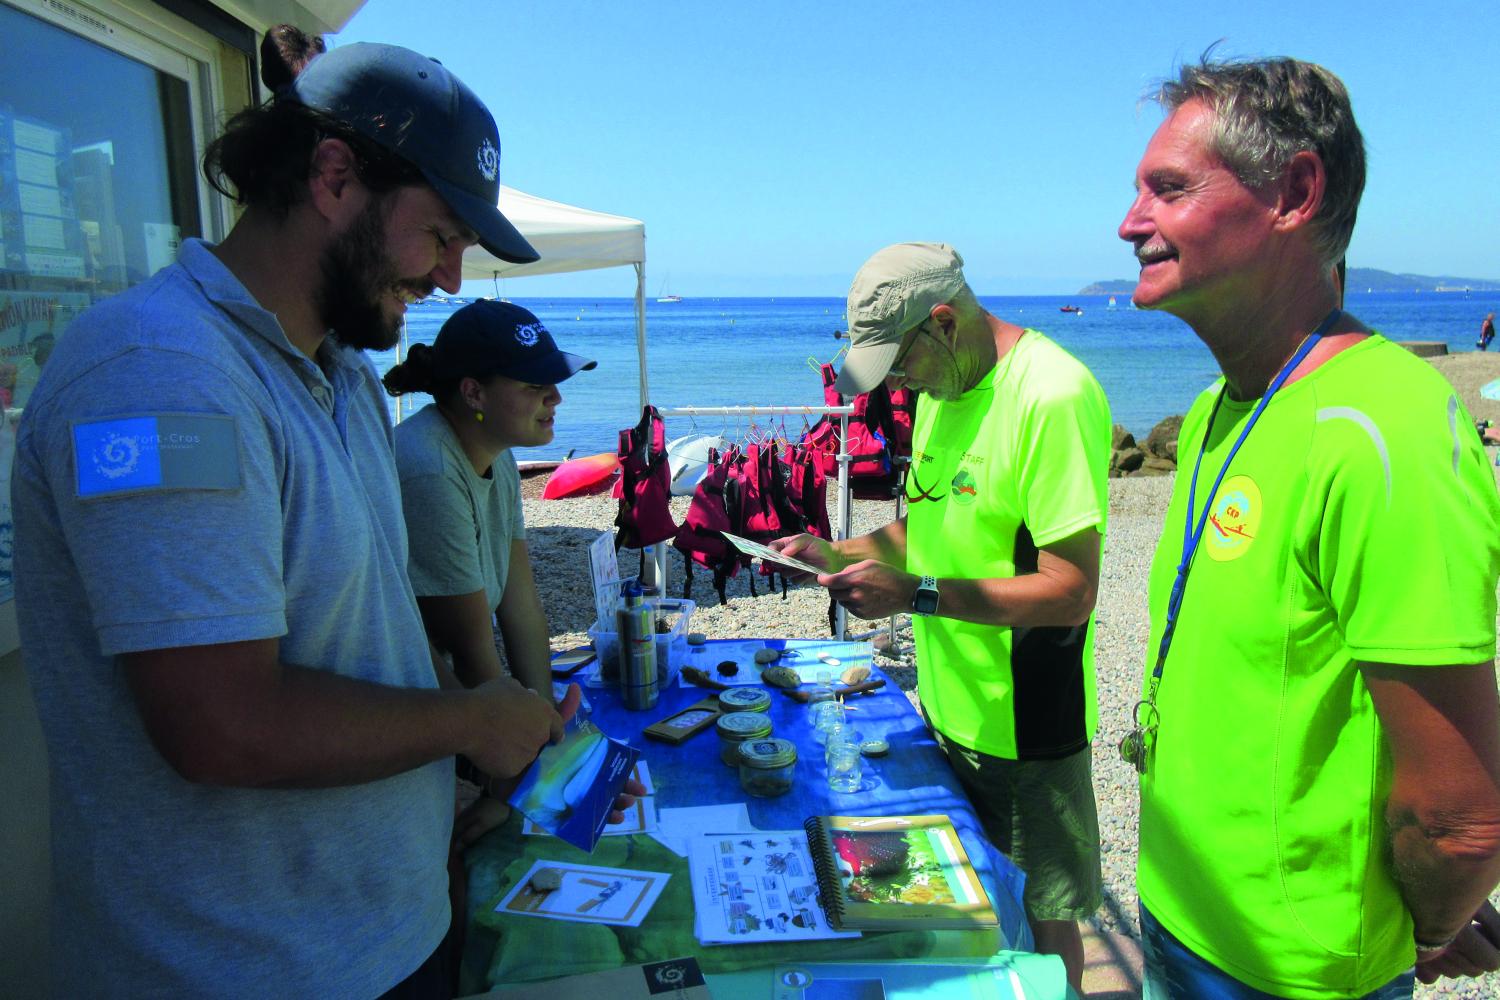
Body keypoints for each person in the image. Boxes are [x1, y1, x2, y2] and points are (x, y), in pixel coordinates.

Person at [13, 29, 634, 998]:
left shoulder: (340, 377)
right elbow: (221, 723)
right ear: (335, 177)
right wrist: (469, 719)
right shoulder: (160, 377)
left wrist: (471, 767)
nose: (449, 281)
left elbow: (360, 648)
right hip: (247, 969)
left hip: (392, 926)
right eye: (440, 237)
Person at [1118, 56, 1500, 998]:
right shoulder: (1222, 406)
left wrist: (1426, 929)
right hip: (1180, 917)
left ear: (1293, 193)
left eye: (1168, 190)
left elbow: (1462, 821)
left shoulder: (1386, 431)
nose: (1130, 223)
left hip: (1292, 976)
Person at [770, 242, 1112, 991]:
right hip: (944, 710)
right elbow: (919, 531)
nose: (897, 381)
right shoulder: (937, 397)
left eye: (901, 362)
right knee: (967, 917)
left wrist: (916, 594)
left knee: (1048, 932)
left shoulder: (1052, 395)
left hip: (1027, 726)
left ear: (945, 323)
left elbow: (1072, 589)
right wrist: (832, 553)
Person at [384, 299, 596, 844]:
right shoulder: (429, 467)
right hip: (407, 713)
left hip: (452, 703)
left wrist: (552, 728)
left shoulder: (495, 451)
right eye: (533, 385)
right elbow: (474, 649)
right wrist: (520, 785)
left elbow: (522, 609)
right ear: (473, 392)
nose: (556, 397)